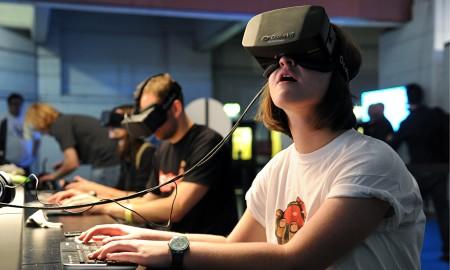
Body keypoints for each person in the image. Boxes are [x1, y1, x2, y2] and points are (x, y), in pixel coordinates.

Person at [77, 6, 425, 270]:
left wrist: (172, 253)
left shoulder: (370, 161)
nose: (284, 62)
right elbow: (233, 243)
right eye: (276, 59)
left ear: (338, 75)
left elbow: (297, 259)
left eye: (303, 55)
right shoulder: (278, 168)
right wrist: (141, 236)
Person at [59, 73, 238, 235]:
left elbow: (176, 209)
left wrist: (107, 207)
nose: (150, 127)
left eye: (153, 117)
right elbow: (146, 200)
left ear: (175, 108)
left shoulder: (207, 142)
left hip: (206, 252)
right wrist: (95, 198)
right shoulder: (163, 149)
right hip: (174, 244)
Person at [389, 83, 449, 261]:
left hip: (418, 170)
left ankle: (408, 253)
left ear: (408, 98)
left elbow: (393, 147)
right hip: (439, 169)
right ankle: (448, 250)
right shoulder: (437, 115)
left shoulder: (408, 122)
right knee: (443, 211)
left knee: (413, 215)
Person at [47, 104, 155, 200]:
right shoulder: (125, 153)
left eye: (116, 120)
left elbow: (140, 196)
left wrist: (93, 188)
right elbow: (120, 189)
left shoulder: (146, 152)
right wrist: (87, 192)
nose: (110, 126)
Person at [25, 103, 121, 187]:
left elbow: (72, 163)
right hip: (112, 159)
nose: (40, 132)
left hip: (107, 163)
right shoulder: (65, 121)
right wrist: (64, 163)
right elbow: (83, 151)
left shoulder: (59, 126)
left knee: (101, 201)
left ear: (39, 121)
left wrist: (52, 177)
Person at [0, 93, 40, 174]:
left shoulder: (28, 120)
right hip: (7, 164)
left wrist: (33, 156)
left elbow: (37, 139)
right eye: (14, 104)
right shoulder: (3, 120)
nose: (17, 106)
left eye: (19, 104)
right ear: (9, 105)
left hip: (26, 163)